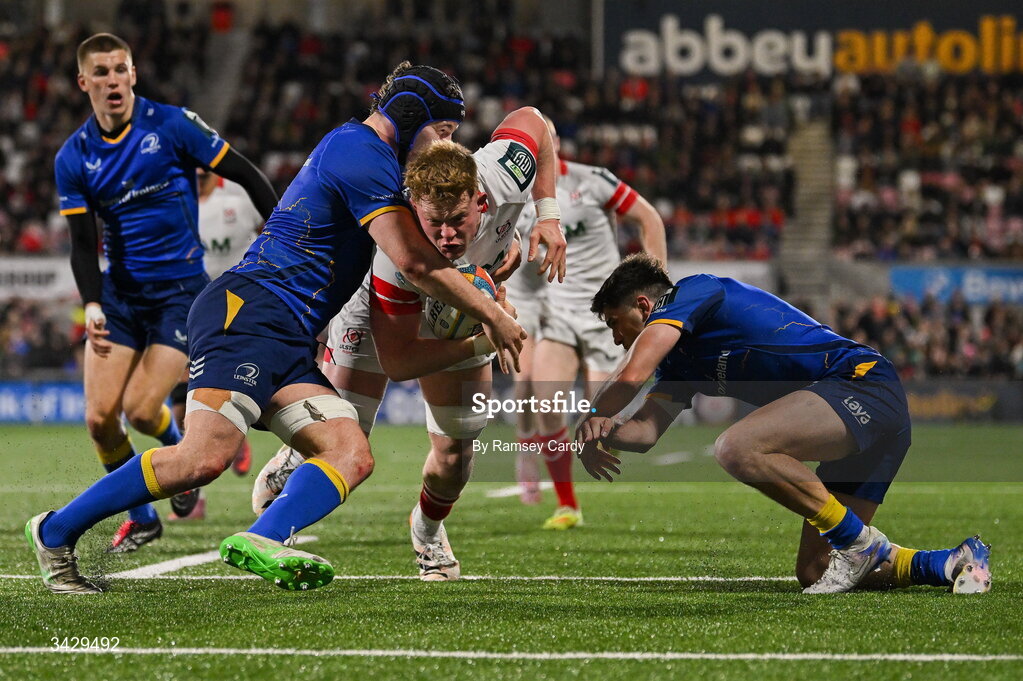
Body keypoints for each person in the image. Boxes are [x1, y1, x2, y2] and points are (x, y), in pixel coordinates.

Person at [26, 61, 526, 594]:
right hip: (250, 310)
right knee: (203, 460)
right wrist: (493, 314)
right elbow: (416, 261)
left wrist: (505, 243)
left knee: (350, 452)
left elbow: (437, 240)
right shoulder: (357, 150)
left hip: (286, 332)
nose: (446, 145)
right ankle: (54, 531)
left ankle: (263, 537)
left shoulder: (382, 162)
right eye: (443, 131)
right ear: (411, 116)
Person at [253, 107, 567, 581]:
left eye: (456, 220)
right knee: (342, 437)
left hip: (465, 307)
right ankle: (296, 464)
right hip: (386, 303)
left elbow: (536, 121)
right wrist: (484, 339)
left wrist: (548, 215)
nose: (444, 235)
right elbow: (400, 362)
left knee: (457, 454)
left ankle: (427, 529)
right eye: (432, 222)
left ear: (480, 200)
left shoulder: (504, 170)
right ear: (413, 206)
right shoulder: (399, 255)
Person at [574, 254, 991, 594]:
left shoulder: (692, 290)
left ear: (645, 306)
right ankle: (952, 561)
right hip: (848, 409)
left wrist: (592, 415)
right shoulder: (680, 367)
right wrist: (605, 431)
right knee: (814, 569)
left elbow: (630, 374)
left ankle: (859, 544)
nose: (615, 338)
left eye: (614, 323)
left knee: (738, 447)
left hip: (860, 384)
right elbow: (645, 432)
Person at [52, 33, 277, 552]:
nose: (112, 80)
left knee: (140, 406)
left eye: (120, 69)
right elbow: (83, 245)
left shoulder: (173, 125)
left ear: (133, 75)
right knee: (98, 418)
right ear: (83, 83)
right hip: (120, 296)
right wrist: (91, 303)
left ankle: (175, 463)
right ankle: (145, 514)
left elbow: (244, 172)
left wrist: (281, 231)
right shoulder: (74, 157)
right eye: (101, 72)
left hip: (180, 293)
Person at [504, 116, 666, 530]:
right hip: (557, 311)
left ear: (555, 145)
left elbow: (649, 219)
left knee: (604, 418)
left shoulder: (592, 180)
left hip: (605, 319)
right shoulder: (516, 198)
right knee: (545, 403)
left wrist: (658, 286)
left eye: (548, 141)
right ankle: (567, 505)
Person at [168, 169, 266, 486]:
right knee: (181, 396)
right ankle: (188, 488)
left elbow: (271, 229)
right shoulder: (172, 197)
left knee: (228, 379)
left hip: (235, 301)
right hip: (188, 303)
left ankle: (233, 436)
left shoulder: (239, 193)